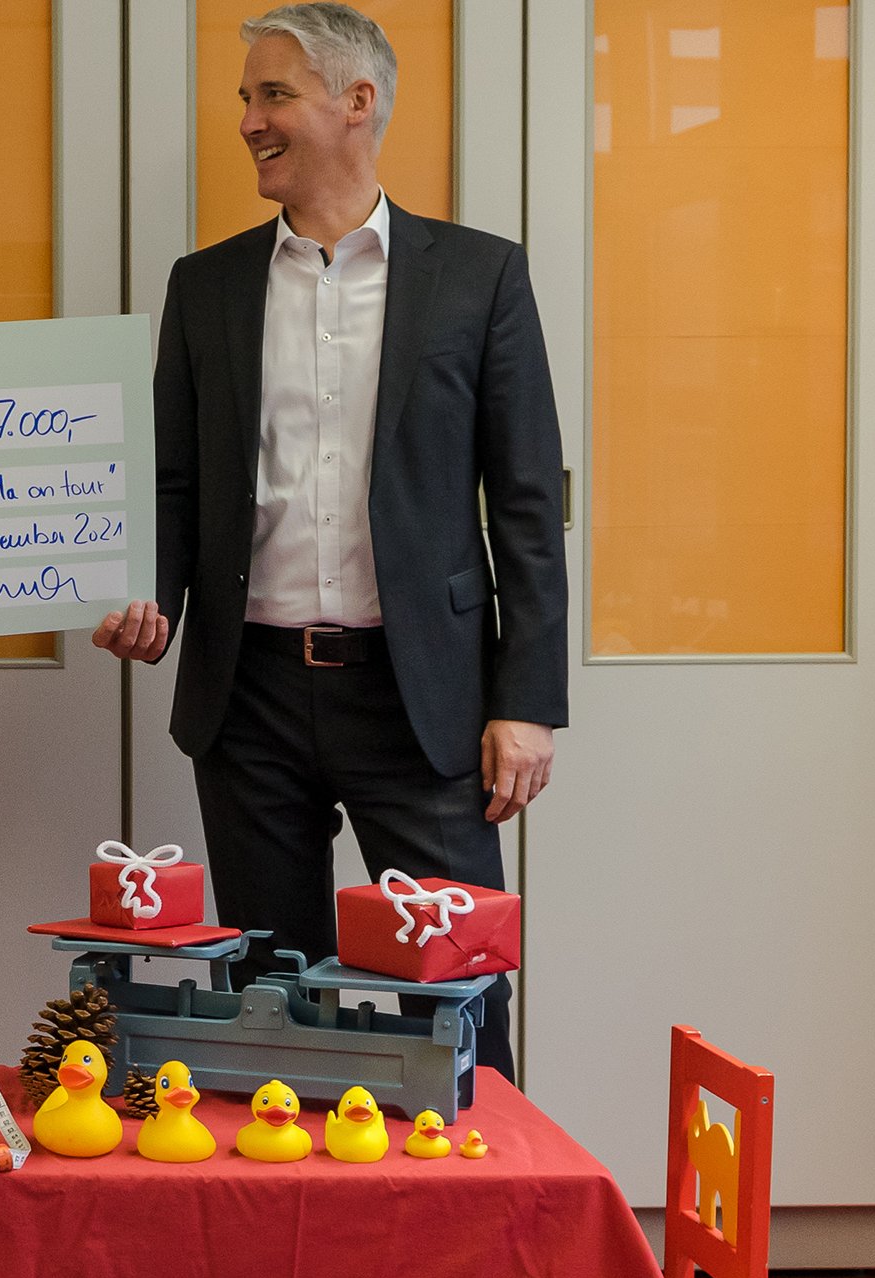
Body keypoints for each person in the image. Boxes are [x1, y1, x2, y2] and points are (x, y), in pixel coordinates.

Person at [92, 3, 566, 1080]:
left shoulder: (480, 277)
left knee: (461, 995)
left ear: (358, 102)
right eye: (246, 99)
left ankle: (484, 1184)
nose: (249, 122)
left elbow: (527, 500)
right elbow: (173, 478)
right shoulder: (205, 285)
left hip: (422, 697)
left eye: (274, 95)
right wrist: (148, 594)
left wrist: (527, 700)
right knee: (272, 1000)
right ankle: (290, 1186)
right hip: (249, 695)